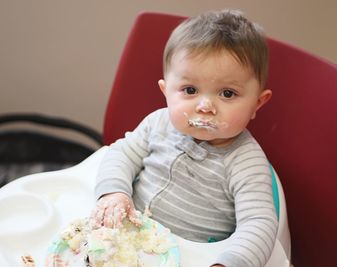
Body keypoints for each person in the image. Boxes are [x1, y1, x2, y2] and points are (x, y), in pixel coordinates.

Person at [91, 9, 278, 267]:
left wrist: (230, 262)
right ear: (166, 91)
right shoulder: (158, 123)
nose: (205, 106)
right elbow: (121, 154)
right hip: (126, 242)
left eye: (227, 93)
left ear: (258, 103)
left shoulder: (244, 161)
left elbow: (259, 224)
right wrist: (114, 192)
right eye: (190, 90)